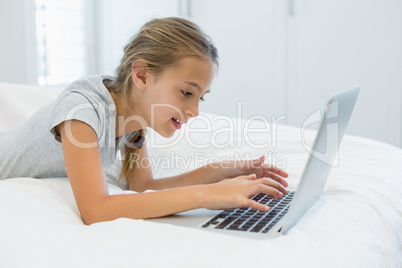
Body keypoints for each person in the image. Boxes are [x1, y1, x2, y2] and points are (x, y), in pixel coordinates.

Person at [0, 17, 288, 225]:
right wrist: (206, 195)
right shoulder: (82, 113)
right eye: (186, 92)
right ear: (142, 76)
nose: (194, 111)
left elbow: (142, 187)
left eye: (200, 98)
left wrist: (216, 173)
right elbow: (96, 211)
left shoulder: (135, 116)